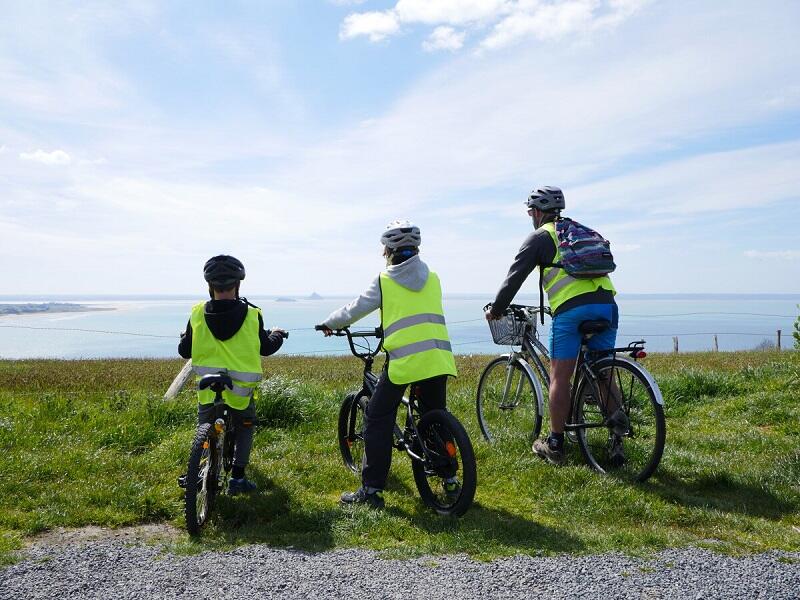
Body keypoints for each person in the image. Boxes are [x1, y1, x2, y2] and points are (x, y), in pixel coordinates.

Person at [319, 220, 458, 508]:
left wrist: (330, 323)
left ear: (389, 250)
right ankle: (450, 479)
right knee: (434, 414)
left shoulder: (385, 280)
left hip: (405, 361)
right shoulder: (433, 277)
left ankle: (371, 491)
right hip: (438, 356)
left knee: (378, 418)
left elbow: (355, 308)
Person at [486, 187, 619, 466]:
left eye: (530, 212)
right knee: (603, 372)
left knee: (560, 378)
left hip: (572, 311)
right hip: (607, 304)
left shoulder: (540, 237)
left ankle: (555, 444)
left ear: (536, 212)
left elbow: (514, 278)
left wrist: (496, 310)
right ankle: (617, 437)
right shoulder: (578, 230)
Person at [179, 255, 286, 494]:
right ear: (237, 285)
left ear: (210, 286)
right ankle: (237, 478)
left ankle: (199, 469)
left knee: (205, 426)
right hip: (240, 391)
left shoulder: (196, 314)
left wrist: (185, 338)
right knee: (245, 427)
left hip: (208, 389)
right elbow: (266, 348)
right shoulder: (252, 314)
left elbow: (184, 350)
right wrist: (277, 334)